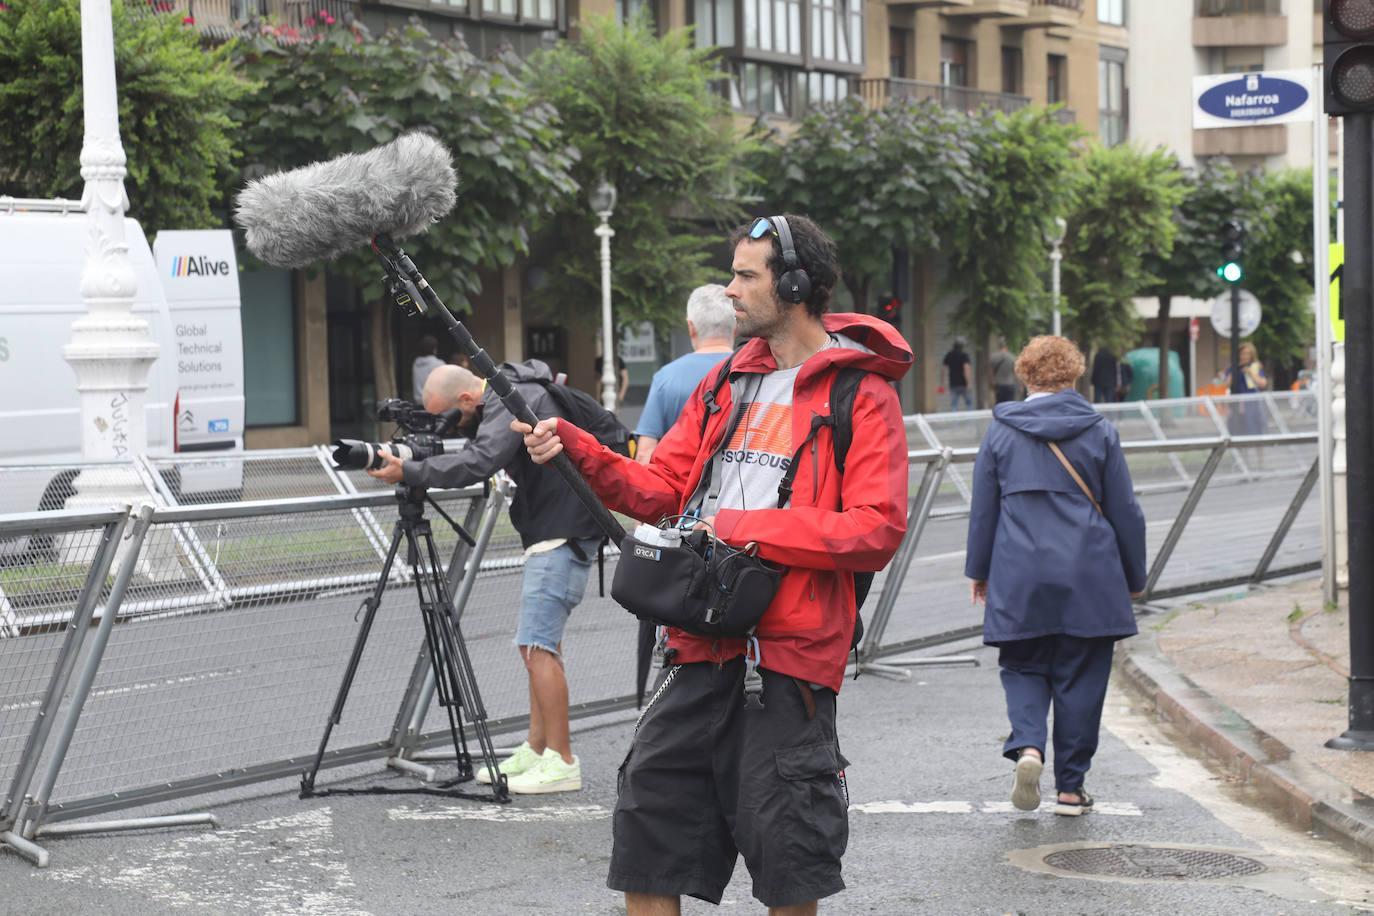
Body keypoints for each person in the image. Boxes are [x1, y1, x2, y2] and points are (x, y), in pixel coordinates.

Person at [514, 214, 912, 914]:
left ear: (793, 286)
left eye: (745, 275)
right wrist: (579, 448)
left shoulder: (862, 394)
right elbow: (662, 488)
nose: (729, 290)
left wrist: (739, 529)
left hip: (788, 664)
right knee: (649, 844)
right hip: (696, 646)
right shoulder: (726, 381)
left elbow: (874, 530)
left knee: (791, 859)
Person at [367, 362, 601, 795]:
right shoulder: (512, 392)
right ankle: (537, 748)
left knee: (537, 648)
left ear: (468, 400)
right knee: (540, 647)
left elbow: (479, 460)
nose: (457, 426)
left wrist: (411, 471)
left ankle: (563, 760)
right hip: (558, 530)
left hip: (559, 533)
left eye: (455, 417)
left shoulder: (512, 399)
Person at [965, 336, 1147, 817]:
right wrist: (1134, 576)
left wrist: (979, 572)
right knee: (1083, 677)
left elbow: (983, 511)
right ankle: (1070, 788)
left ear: (1025, 375)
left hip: (1019, 572)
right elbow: (1125, 511)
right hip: (1091, 574)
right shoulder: (1100, 430)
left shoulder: (1001, 431)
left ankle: (1028, 746)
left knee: (1023, 664)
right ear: (1074, 375)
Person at [634, 284, 736, 464]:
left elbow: (644, 453)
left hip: (681, 489)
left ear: (691, 327)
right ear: (735, 327)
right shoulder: (754, 373)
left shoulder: (666, 377)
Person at [1223, 342, 1270, 437]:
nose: (1245, 356)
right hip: (1237, 405)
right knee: (1239, 431)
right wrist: (1236, 369)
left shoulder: (1255, 367)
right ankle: (1242, 451)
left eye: (1248, 354)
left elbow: (1263, 383)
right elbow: (1226, 384)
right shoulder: (1233, 368)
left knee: (1256, 431)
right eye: (1243, 353)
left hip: (1253, 404)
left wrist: (1250, 373)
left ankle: (1259, 451)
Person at [942, 337, 973, 412]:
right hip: (963, 384)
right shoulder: (964, 355)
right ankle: (970, 422)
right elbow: (966, 369)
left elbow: (944, 369)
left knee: (954, 405)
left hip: (953, 384)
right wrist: (968, 383)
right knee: (969, 403)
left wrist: (943, 383)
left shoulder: (949, 355)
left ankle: (954, 423)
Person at [411, 334, 445, 402]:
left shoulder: (416, 363)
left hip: (418, 403)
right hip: (434, 404)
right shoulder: (439, 364)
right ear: (434, 349)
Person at [989, 337, 1018, 404]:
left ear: (999, 346)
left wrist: (991, 383)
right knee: (1010, 404)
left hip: (999, 385)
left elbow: (990, 373)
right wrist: (1020, 385)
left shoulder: (993, 357)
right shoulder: (1012, 357)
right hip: (1010, 384)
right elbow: (1016, 373)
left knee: (1000, 404)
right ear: (1006, 346)